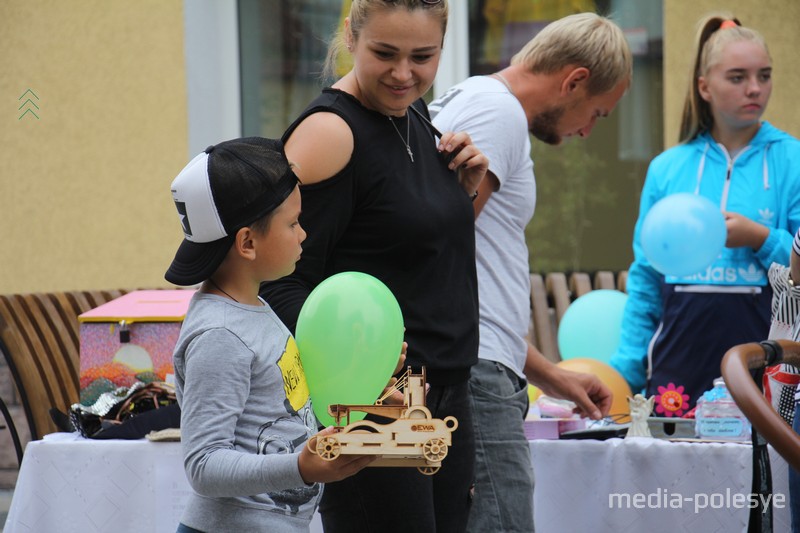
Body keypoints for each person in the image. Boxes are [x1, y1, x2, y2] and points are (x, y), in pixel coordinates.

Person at [260, 1, 489, 531]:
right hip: (376, 409)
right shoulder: (330, 133)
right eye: (385, 54)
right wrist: (356, 370)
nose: (404, 73)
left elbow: (407, 252)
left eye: (423, 57)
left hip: (446, 391)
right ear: (350, 37)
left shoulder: (415, 116)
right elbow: (278, 280)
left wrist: (463, 193)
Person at [429, 12, 629, 532]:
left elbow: (470, 272)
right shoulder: (501, 114)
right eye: (597, 115)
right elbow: (439, 240)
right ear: (575, 81)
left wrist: (551, 375)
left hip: (475, 359)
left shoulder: (474, 96)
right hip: (475, 371)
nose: (586, 131)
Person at [164, 137, 378, 533]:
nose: (303, 234)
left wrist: (367, 391)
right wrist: (300, 466)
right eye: (293, 223)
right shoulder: (220, 335)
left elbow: (284, 405)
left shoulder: (255, 309)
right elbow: (204, 464)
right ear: (247, 242)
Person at [610, 14, 800, 417]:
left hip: (768, 367)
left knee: (760, 481)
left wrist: (760, 238)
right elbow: (646, 276)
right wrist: (623, 372)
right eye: (737, 77)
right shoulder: (667, 167)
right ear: (704, 86)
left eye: (764, 76)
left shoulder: (793, 160)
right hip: (677, 367)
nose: (755, 88)